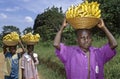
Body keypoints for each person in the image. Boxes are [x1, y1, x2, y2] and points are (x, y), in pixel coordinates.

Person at [53, 18, 117, 79]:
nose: (86, 40)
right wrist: (62, 28)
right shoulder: (70, 52)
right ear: (77, 40)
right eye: (82, 38)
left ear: (91, 39)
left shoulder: (98, 53)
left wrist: (104, 27)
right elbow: (56, 44)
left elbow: (114, 44)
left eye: (88, 37)